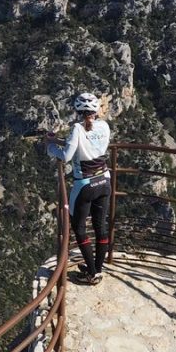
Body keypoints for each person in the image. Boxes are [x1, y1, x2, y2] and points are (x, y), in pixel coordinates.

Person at [44, 92, 111, 284]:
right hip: (105, 179)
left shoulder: (77, 128)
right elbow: (89, 146)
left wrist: (50, 146)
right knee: (100, 226)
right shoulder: (104, 126)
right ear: (96, 110)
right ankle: (96, 267)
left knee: (79, 228)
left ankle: (92, 273)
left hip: (85, 184)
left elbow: (66, 156)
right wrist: (59, 140)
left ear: (77, 111)